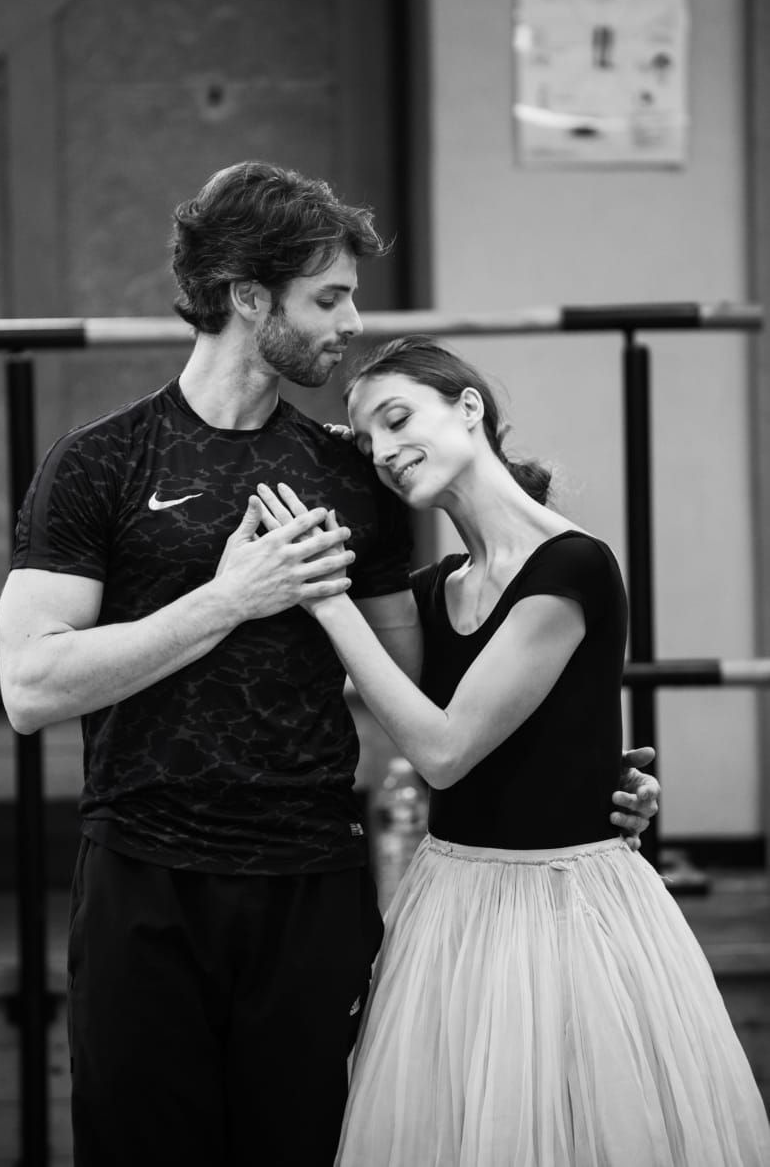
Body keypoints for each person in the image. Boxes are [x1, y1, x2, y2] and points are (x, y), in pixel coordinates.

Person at [0, 163, 658, 1167]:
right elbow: (30, 687)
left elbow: (439, 688)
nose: (351, 321)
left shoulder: (354, 473)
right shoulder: (100, 461)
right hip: (143, 878)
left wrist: (585, 785)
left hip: (311, 885)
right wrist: (229, 598)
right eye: (329, 297)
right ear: (248, 296)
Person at [253, 335, 770, 1167]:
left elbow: (444, 751)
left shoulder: (573, 566)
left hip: (569, 914)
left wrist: (328, 599)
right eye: (369, 441)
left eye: (397, 419)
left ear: (469, 408)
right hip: (450, 905)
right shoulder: (430, 592)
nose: (383, 452)